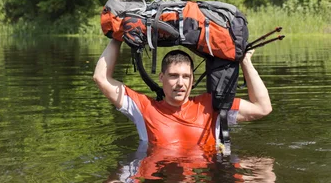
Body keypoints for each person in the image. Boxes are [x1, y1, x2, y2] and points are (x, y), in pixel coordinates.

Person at [93, 39, 272, 149]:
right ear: (161, 77)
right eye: (173, 76)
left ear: (192, 80)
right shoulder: (143, 108)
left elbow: (262, 108)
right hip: (159, 174)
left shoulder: (211, 105)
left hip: (209, 175)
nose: (180, 83)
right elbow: (101, 78)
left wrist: (245, 62)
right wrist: (117, 38)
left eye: (186, 76)